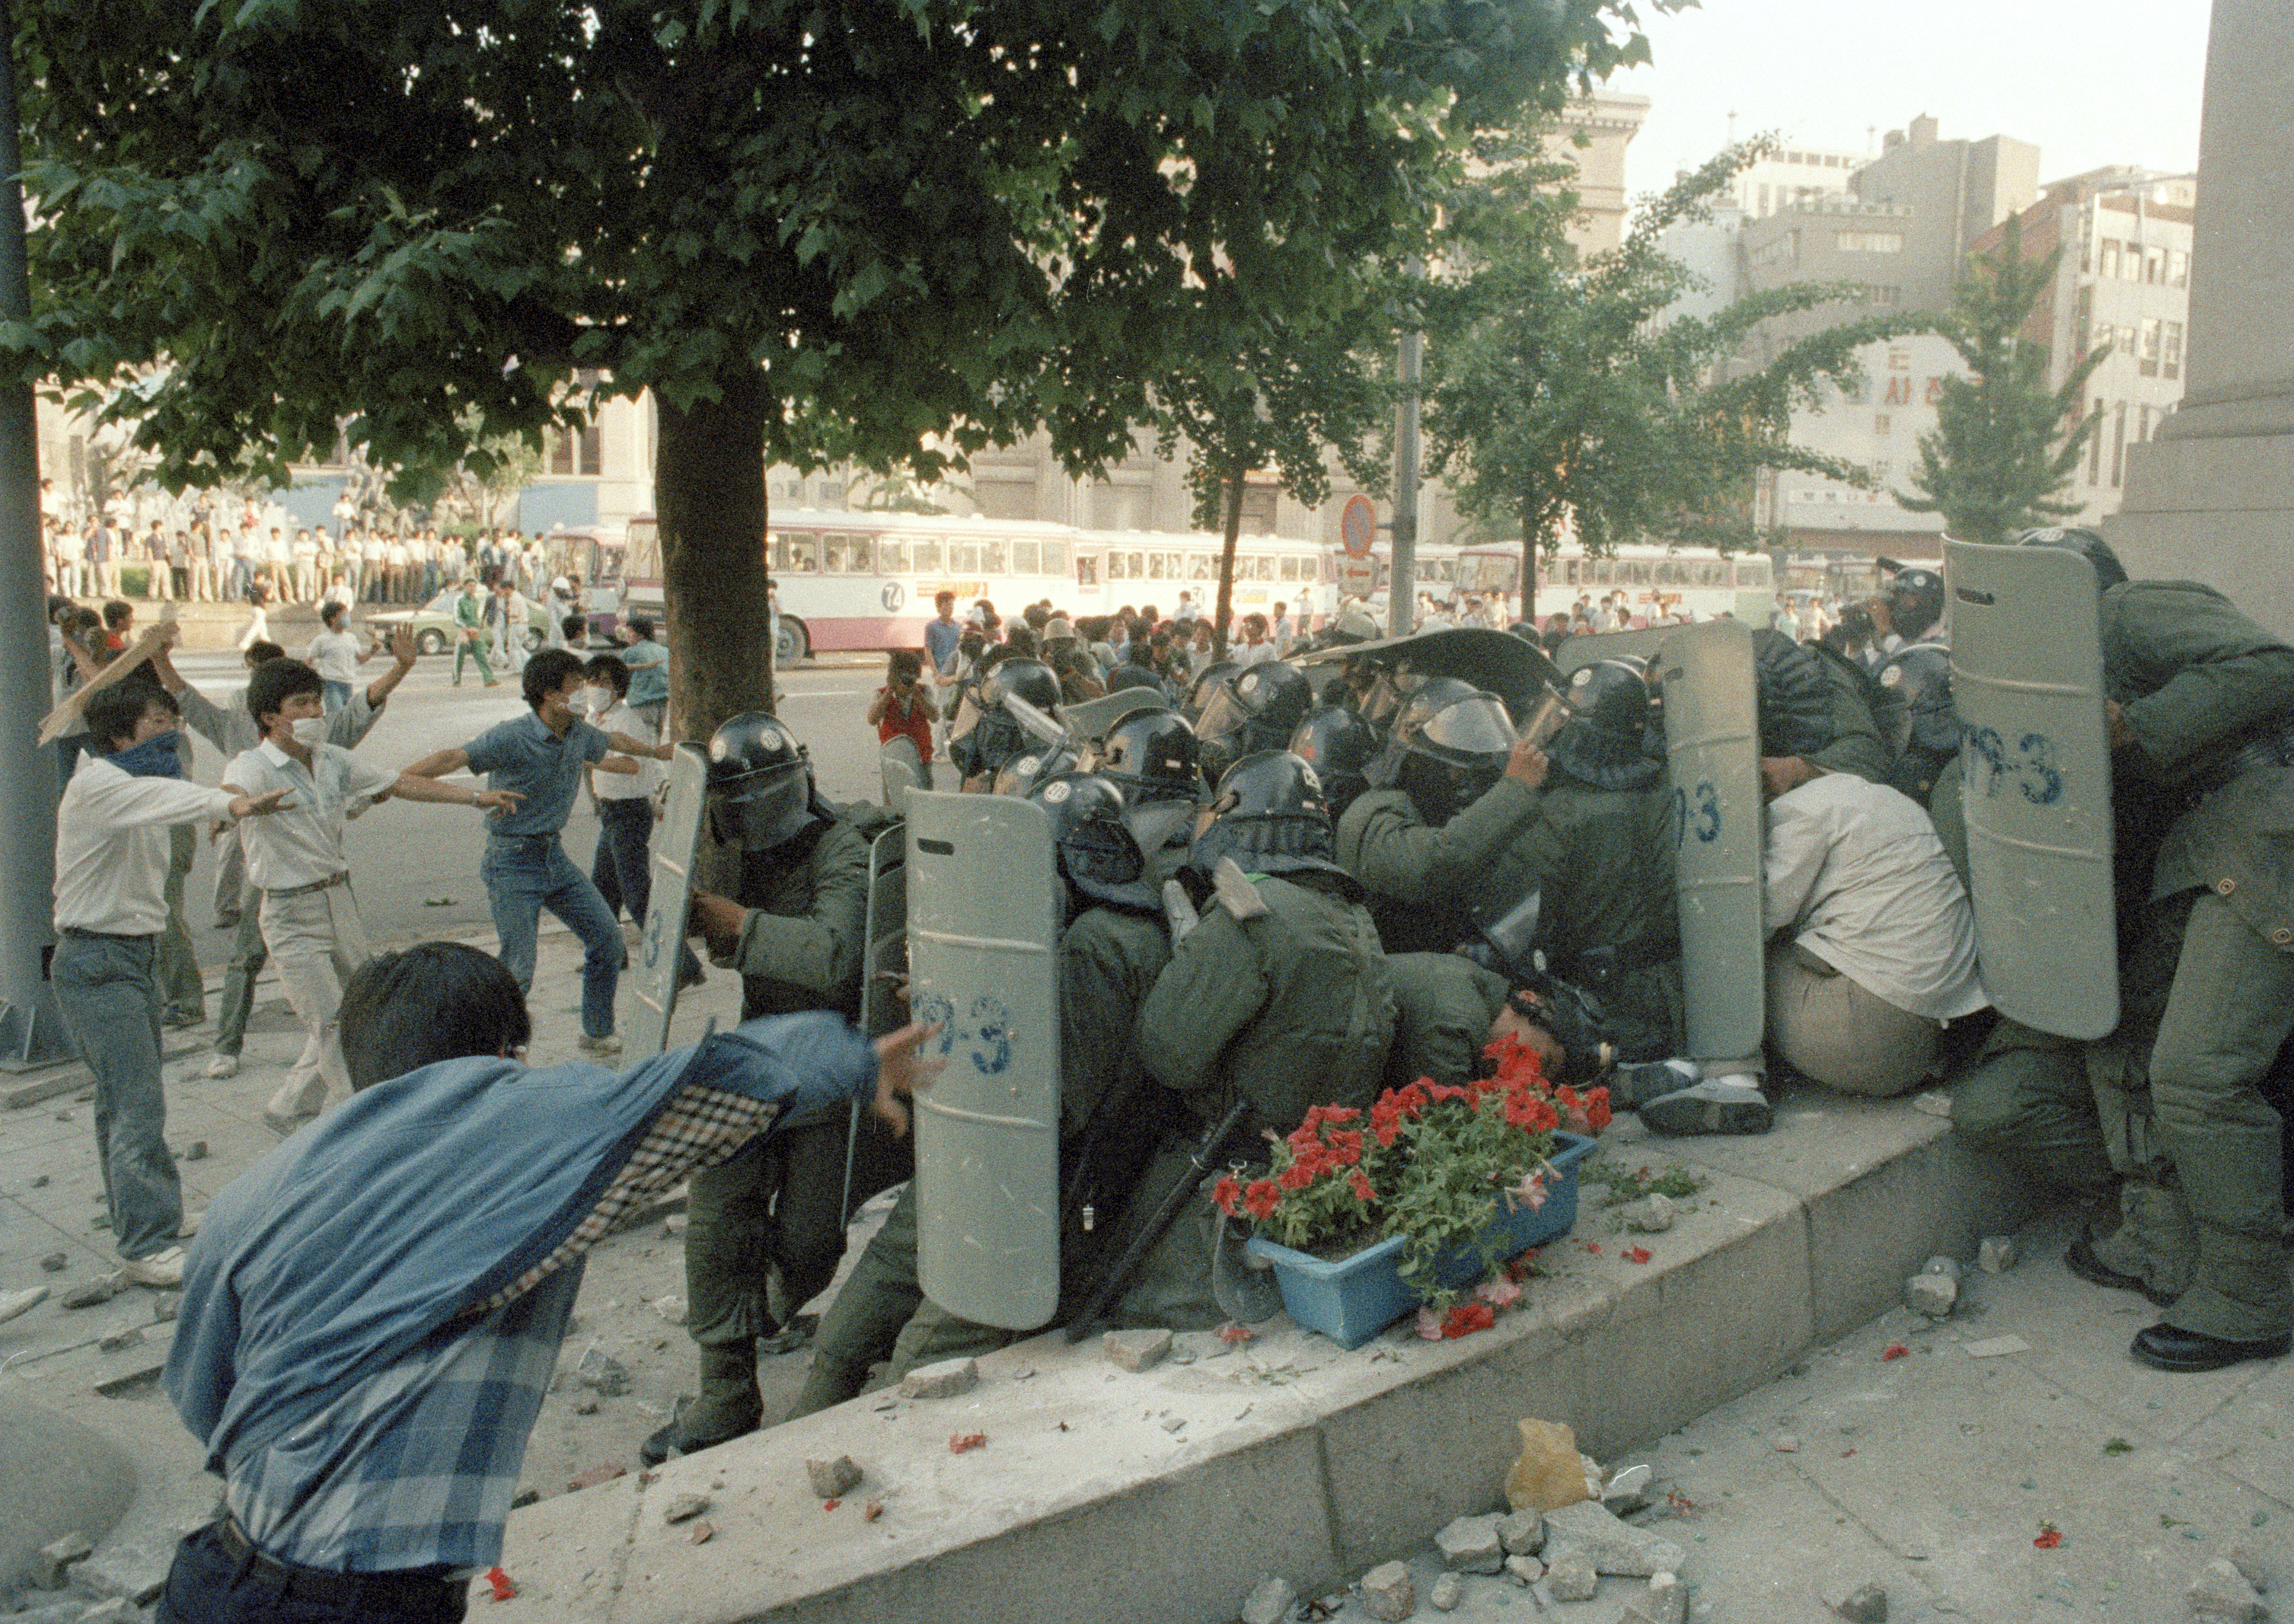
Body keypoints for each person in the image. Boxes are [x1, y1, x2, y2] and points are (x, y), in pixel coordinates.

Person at [157, 940, 940, 1624]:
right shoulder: (517, 1123)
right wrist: (856, 1058)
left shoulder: (254, 1192)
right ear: (503, 1055)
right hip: (350, 1607)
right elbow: (711, 1081)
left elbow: (203, 1396)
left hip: (214, 1573)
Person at [646, 713, 907, 1463]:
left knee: (805, 1244)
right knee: (717, 1215)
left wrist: (745, 927)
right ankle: (725, 1395)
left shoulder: (842, 849)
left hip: (831, 1067)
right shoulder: (739, 853)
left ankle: (765, 1311)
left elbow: (834, 956)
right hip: (759, 1053)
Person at [53, 683, 292, 1290]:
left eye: (173, 719)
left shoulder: (126, 783)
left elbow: (164, 796)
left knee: (121, 1100)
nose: (172, 732)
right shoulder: (100, 785)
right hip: (97, 962)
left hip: (130, 956)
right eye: (158, 722)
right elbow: (166, 795)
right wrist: (228, 805)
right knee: (136, 1103)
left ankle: (142, 1216)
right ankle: (145, 1243)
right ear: (118, 736)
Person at [228, 659, 524, 1134]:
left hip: (338, 901)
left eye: (317, 701)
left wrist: (473, 798)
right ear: (269, 716)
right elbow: (233, 788)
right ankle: (364, 1124)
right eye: (300, 704)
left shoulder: (331, 759)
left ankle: (287, 1108)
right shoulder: (253, 766)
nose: (315, 712)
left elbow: (398, 783)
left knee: (365, 1005)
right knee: (329, 1021)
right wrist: (234, 807)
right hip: (289, 911)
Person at [399, 649, 675, 1054]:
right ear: (548, 695)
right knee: (518, 970)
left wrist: (654, 753)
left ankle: (597, 1031)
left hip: (554, 858)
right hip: (511, 861)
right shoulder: (511, 736)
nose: (586, 693)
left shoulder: (579, 731)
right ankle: (497, 1050)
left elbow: (611, 740)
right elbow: (456, 757)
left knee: (608, 942)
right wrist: (398, 779)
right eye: (577, 686)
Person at [582, 652, 702, 987]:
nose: (596, 688)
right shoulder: (595, 719)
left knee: (637, 896)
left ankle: (685, 965)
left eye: (604, 682)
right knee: (603, 889)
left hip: (628, 813)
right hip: (610, 812)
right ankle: (612, 954)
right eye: (592, 681)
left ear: (619, 688)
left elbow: (631, 765)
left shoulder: (626, 720)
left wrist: (592, 762)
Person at [868, 648, 938, 786]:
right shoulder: (881, 694)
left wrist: (917, 694)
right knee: (895, 802)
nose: (906, 683)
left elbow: (934, 717)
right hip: (894, 759)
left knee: (922, 796)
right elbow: (872, 719)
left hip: (921, 757)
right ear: (894, 676)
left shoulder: (924, 691)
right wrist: (889, 692)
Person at [305, 601, 375, 713]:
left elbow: (360, 659)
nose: (347, 618)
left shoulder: (351, 638)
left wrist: (373, 651)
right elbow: (309, 660)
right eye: (343, 615)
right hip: (331, 684)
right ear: (332, 619)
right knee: (338, 715)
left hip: (347, 684)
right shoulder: (322, 640)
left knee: (346, 716)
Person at [617, 614, 670, 735]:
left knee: (642, 743)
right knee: (655, 741)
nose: (627, 635)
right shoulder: (664, 651)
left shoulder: (632, 652)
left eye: (630, 631)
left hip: (640, 705)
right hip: (662, 704)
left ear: (641, 635)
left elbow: (618, 672)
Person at [451, 576, 496, 687]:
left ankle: (489, 679)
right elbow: (457, 617)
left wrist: (478, 626)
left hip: (475, 631)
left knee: (481, 655)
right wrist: (466, 628)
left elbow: (477, 616)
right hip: (464, 631)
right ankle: (457, 679)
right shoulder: (460, 599)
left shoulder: (476, 600)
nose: (473, 588)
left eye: (474, 586)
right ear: (465, 586)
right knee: (460, 656)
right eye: (470, 585)